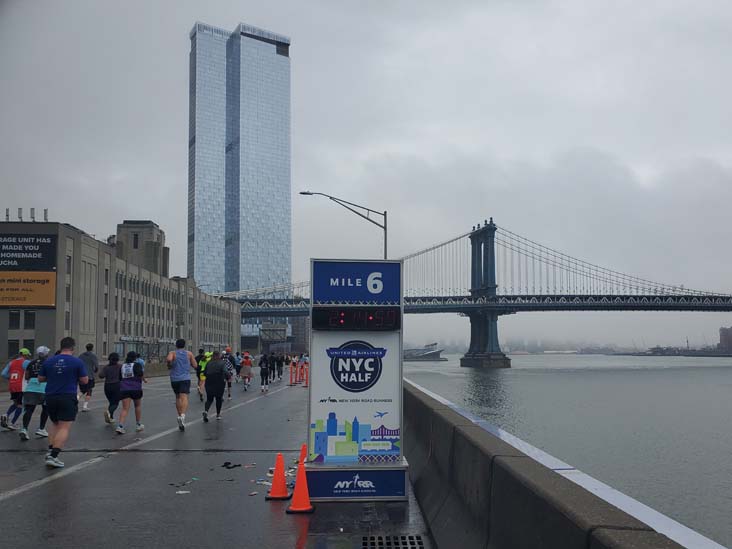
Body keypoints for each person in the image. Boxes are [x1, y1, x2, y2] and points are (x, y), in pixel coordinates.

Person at [38, 337, 88, 468]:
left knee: (54, 424)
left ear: (60, 347)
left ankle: (50, 451)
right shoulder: (77, 362)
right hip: (67, 396)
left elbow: (41, 378)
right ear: (73, 347)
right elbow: (85, 380)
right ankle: (53, 456)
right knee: (64, 427)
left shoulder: (49, 361)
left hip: (50, 396)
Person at [19, 346, 51, 440]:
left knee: (29, 409)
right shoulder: (48, 363)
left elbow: (27, 377)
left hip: (30, 388)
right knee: (45, 409)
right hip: (44, 388)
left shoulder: (31, 363)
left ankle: (24, 429)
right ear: (45, 354)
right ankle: (41, 428)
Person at [166, 339, 197, 431]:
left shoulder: (173, 353)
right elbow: (195, 365)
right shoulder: (189, 353)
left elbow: (168, 359)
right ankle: (182, 416)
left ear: (176, 345)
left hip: (174, 378)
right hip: (185, 378)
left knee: (177, 397)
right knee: (184, 397)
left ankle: (179, 415)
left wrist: (169, 365)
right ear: (184, 345)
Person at [1, 348, 31, 430]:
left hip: (12, 385)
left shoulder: (11, 362)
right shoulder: (26, 362)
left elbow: (3, 374)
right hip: (21, 386)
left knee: (16, 403)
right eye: (28, 355)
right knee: (21, 405)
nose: (28, 357)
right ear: (25, 355)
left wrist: (10, 378)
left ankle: (6, 415)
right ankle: (12, 423)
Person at [116, 351, 146, 434]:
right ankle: (138, 424)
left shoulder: (122, 366)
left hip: (125, 388)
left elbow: (119, 378)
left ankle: (120, 426)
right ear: (135, 358)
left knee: (125, 408)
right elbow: (140, 374)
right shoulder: (137, 365)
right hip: (136, 388)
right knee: (137, 406)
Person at [202, 351, 230, 422]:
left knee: (209, 399)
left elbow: (204, 373)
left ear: (213, 356)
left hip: (209, 383)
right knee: (218, 399)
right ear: (219, 356)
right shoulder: (222, 363)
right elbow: (226, 372)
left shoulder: (208, 363)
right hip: (219, 383)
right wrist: (228, 377)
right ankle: (218, 414)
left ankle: (206, 411)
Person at [99, 353, 122, 424]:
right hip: (116, 385)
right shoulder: (120, 367)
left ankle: (111, 418)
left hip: (107, 386)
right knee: (115, 403)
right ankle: (109, 412)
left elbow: (101, 375)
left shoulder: (106, 367)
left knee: (111, 402)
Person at [78, 343, 99, 412]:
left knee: (82, 390)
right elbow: (96, 366)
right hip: (89, 376)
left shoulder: (81, 356)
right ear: (92, 348)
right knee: (89, 390)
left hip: (81, 375)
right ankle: (85, 406)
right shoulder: (93, 356)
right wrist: (95, 371)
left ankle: (75, 400)